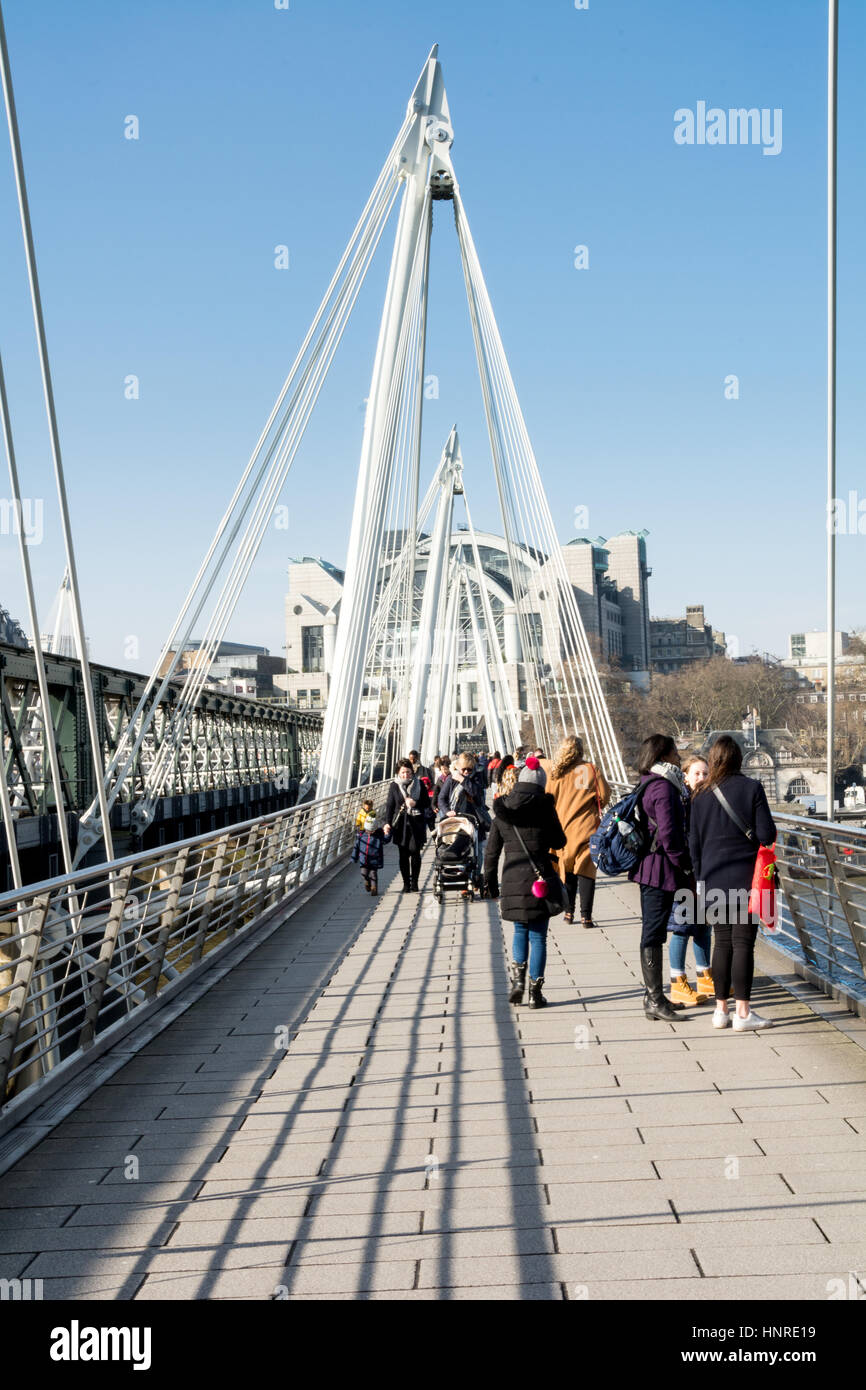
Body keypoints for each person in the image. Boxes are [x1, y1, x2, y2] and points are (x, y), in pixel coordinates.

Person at [689, 735, 777, 1031]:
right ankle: (743, 1012)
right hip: (745, 880)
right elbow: (766, 834)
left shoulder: (699, 795)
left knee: (721, 942)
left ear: (712, 760)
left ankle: (720, 1011)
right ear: (739, 759)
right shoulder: (751, 788)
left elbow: (694, 844)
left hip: (712, 878)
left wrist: (701, 880)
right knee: (743, 944)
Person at [483, 755, 566, 1009]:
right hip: (539, 879)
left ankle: (518, 982)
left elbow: (491, 853)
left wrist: (491, 884)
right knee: (539, 937)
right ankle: (535, 994)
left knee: (519, 930)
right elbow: (560, 842)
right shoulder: (546, 809)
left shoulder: (502, 809)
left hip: (512, 878)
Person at [628, 733, 695, 1021]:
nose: (679, 757)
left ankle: (653, 996)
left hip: (651, 867)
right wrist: (685, 865)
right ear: (663, 755)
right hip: (660, 870)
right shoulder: (663, 788)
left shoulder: (648, 783)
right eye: (675, 753)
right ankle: (655, 999)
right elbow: (668, 834)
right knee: (653, 933)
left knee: (653, 931)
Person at [546, 735, 610, 928]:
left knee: (567, 871)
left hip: (564, 828)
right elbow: (605, 796)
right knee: (587, 871)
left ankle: (568, 912)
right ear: (581, 750)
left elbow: (548, 800)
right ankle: (586, 917)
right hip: (587, 828)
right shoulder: (591, 769)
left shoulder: (555, 773)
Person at [668, 755, 713, 1006]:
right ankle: (678, 982)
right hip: (684, 873)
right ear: (685, 776)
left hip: (703, 871)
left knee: (703, 925)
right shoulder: (682, 800)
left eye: (706, 773)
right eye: (696, 773)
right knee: (682, 926)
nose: (702, 778)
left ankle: (705, 975)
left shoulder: (705, 800)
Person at [383, 759, 432, 892]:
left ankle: (415, 882)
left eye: (408, 772)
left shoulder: (419, 783)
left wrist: (415, 803)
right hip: (401, 825)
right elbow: (390, 806)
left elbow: (427, 803)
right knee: (403, 855)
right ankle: (406, 883)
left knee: (415, 852)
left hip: (417, 823)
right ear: (398, 773)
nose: (406, 775)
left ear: (412, 771)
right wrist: (387, 823)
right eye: (403, 772)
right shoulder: (394, 786)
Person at [351, 811, 386, 895]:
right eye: (368, 830)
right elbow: (357, 847)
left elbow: (385, 840)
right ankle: (367, 882)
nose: (370, 832)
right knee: (364, 873)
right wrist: (354, 857)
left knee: (373, 873)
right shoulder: (361, 836)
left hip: (375, 859)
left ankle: (374, 889)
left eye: (372, 831)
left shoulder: (378, 835)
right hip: (364, 859)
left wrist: (388, 833)